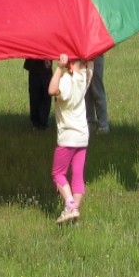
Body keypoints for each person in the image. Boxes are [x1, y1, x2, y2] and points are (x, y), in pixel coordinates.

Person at [48, 54, 93, 224]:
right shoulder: (84, 77)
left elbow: (52, 90)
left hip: (68, 137)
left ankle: (70, 205)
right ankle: (75, 212)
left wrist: (59, 67)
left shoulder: (67, 80)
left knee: (58, 173)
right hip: (82, 137)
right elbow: (91, 63)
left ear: (71, 66)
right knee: (78, 175)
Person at [23, 59, 53, 130]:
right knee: (34, 96)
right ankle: (36, 123)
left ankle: (43, 122)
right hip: (34, 66)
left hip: (45, 67)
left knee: (46, 95)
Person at [85, 55, 110, 134]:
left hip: (96, 54)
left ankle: (103, 124)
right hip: (83, 54)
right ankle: (89, 122)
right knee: (86, 92)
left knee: (97, 89)